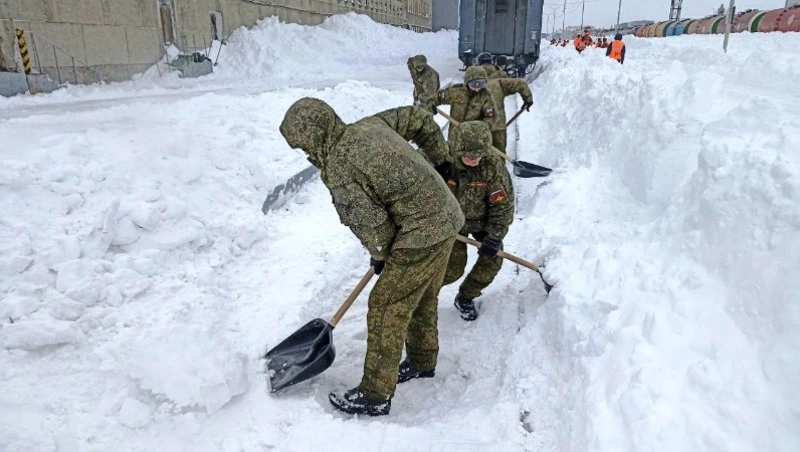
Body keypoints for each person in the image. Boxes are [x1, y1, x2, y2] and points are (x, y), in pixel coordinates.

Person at [279, 99, 464, 416]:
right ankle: (421, 361)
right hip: (447, 214)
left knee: (386, 304)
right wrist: (442, 163)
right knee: (419, 295)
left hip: (421, 230)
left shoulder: (339, 168)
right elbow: (417, 118)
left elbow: (374, 226)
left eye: (302, 145)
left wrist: (381, 254)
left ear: (313, 136)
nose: (304, 153)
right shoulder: (369, 124)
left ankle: (375, 394)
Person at [441, 121, 515, 321]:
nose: (473, 161)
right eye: (468, 157)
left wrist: (495, 236)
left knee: (493, 259)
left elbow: (502, 205)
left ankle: (466, 297)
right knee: (452, 269)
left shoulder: (493, 167)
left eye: (478, 157)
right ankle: (421, 293)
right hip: (451, 222)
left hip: (482, 222)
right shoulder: (443, 158)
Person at [435, 66, 502, 138]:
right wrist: (431, 103)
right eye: (474, 84)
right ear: (467, 82)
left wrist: (477, 128)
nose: (477, 89)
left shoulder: (485, 96)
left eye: (481, 84)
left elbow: (492, 117)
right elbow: (436, 98)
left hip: (475, 138)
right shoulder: (457, 92)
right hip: (455, 137)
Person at [486, 76, 533, 153]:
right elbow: (520, 83)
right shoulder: (499, 82)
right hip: (498, 127)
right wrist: (528, 99)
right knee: (499, 154)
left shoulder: (471, 83)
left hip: (477, 127)